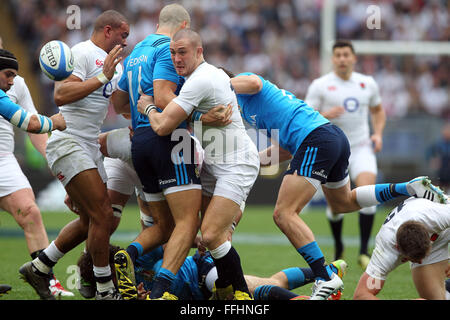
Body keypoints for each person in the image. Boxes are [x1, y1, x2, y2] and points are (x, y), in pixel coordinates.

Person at [210, 69, 448, 300]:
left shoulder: (239, 86)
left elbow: (255, 82)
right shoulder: (246, 108)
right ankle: (408, 187)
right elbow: (284, 148)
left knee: (284, 213)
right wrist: (250, 161)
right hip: (331, 137)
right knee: (343, 202)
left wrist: (220, 84)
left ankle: (325, 277)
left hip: (316, 139)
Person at [137, 28, 260, 300]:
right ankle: (223, 287)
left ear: (199, 52)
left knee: (212, 233)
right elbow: (188, 119)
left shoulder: (200, 80)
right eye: (172, 53)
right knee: (198, 232)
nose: (176, 58)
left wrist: (147, 107)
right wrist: (201, 120)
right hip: (213, 165)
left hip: (236, 165)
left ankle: (241, 293)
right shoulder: (202, 76)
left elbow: (163, 126)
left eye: (182, 52)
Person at [19, 10, 129, 300]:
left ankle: (40, 266)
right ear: (108, 30)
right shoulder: (81, 52)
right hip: (68, 142)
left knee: (91, 220)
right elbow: (61, 95)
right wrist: (102, 77)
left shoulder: (114, 67)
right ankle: (105, 289)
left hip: (89, 146)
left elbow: (119, 105)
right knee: (103, 214)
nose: (125, 41)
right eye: (123, 35)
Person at [111, 4, 205, 300]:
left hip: (140, 141)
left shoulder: (136, 51)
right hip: (169, 139)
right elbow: (165, 96)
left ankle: (128, 255)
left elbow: (119, 104)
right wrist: (202, 115)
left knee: (163, 226)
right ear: (184, 25)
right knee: (188, 223)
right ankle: (163, 288)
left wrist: (140, 116)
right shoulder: (169, 49)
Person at [305, 40, 386, 269]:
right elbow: (305, 115)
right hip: (334, 149)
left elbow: (378, 111)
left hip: (361, 146)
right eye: (338, 55)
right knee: (335, 206)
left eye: (345, 55)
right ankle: (339, 246)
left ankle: (363, 250)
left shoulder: (367, 83)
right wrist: (326, 113)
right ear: (332, 59)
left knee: (367, 195)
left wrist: (378, 134)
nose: (342, 59)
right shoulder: (320, 85)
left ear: (353, 58)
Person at [0, 47, 70, 297]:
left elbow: (32, 124)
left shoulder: (15, 82)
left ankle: (46, 281)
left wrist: (51, 157)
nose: (11, 79)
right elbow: (31, 122)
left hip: (3, 157)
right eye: (7, 74)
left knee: (30, 212)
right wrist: (56, 121)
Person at [77, 244, 348, 300]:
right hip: (194, 298)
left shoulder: (137, 257)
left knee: (246, 294)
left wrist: (197, 243)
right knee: (271, 281)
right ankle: (328, 271)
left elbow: (172, 243)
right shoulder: (113, 294)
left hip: (200, 273)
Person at [353, 197, 449, 300]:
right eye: (414, 259)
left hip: (444, 230)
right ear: (397, 248)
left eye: (422, 256)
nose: (420, 261)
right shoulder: (385, 251)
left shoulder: (435, 216)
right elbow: (361, 295)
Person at [426, 122, 450, 194]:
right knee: (441, 187)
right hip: (442, 170)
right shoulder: (439, 144)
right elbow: (429, 153)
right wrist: (432, 161)